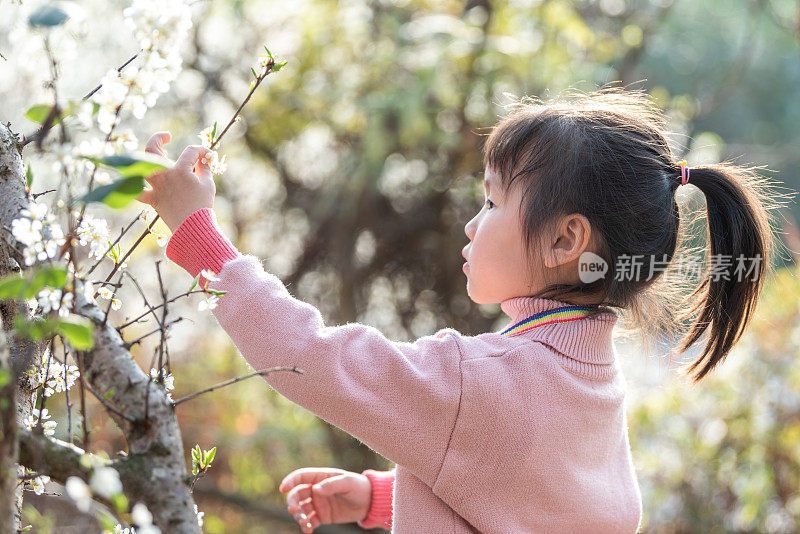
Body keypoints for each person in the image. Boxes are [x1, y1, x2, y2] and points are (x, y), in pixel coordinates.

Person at [138, 85, 780, 533]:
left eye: (494, 204)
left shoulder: (485, 378)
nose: (474, 226)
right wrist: (385, 498)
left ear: (565, 240)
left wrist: (197, 233)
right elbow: (535, 506)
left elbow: (310, 359)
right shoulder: (588, 381)